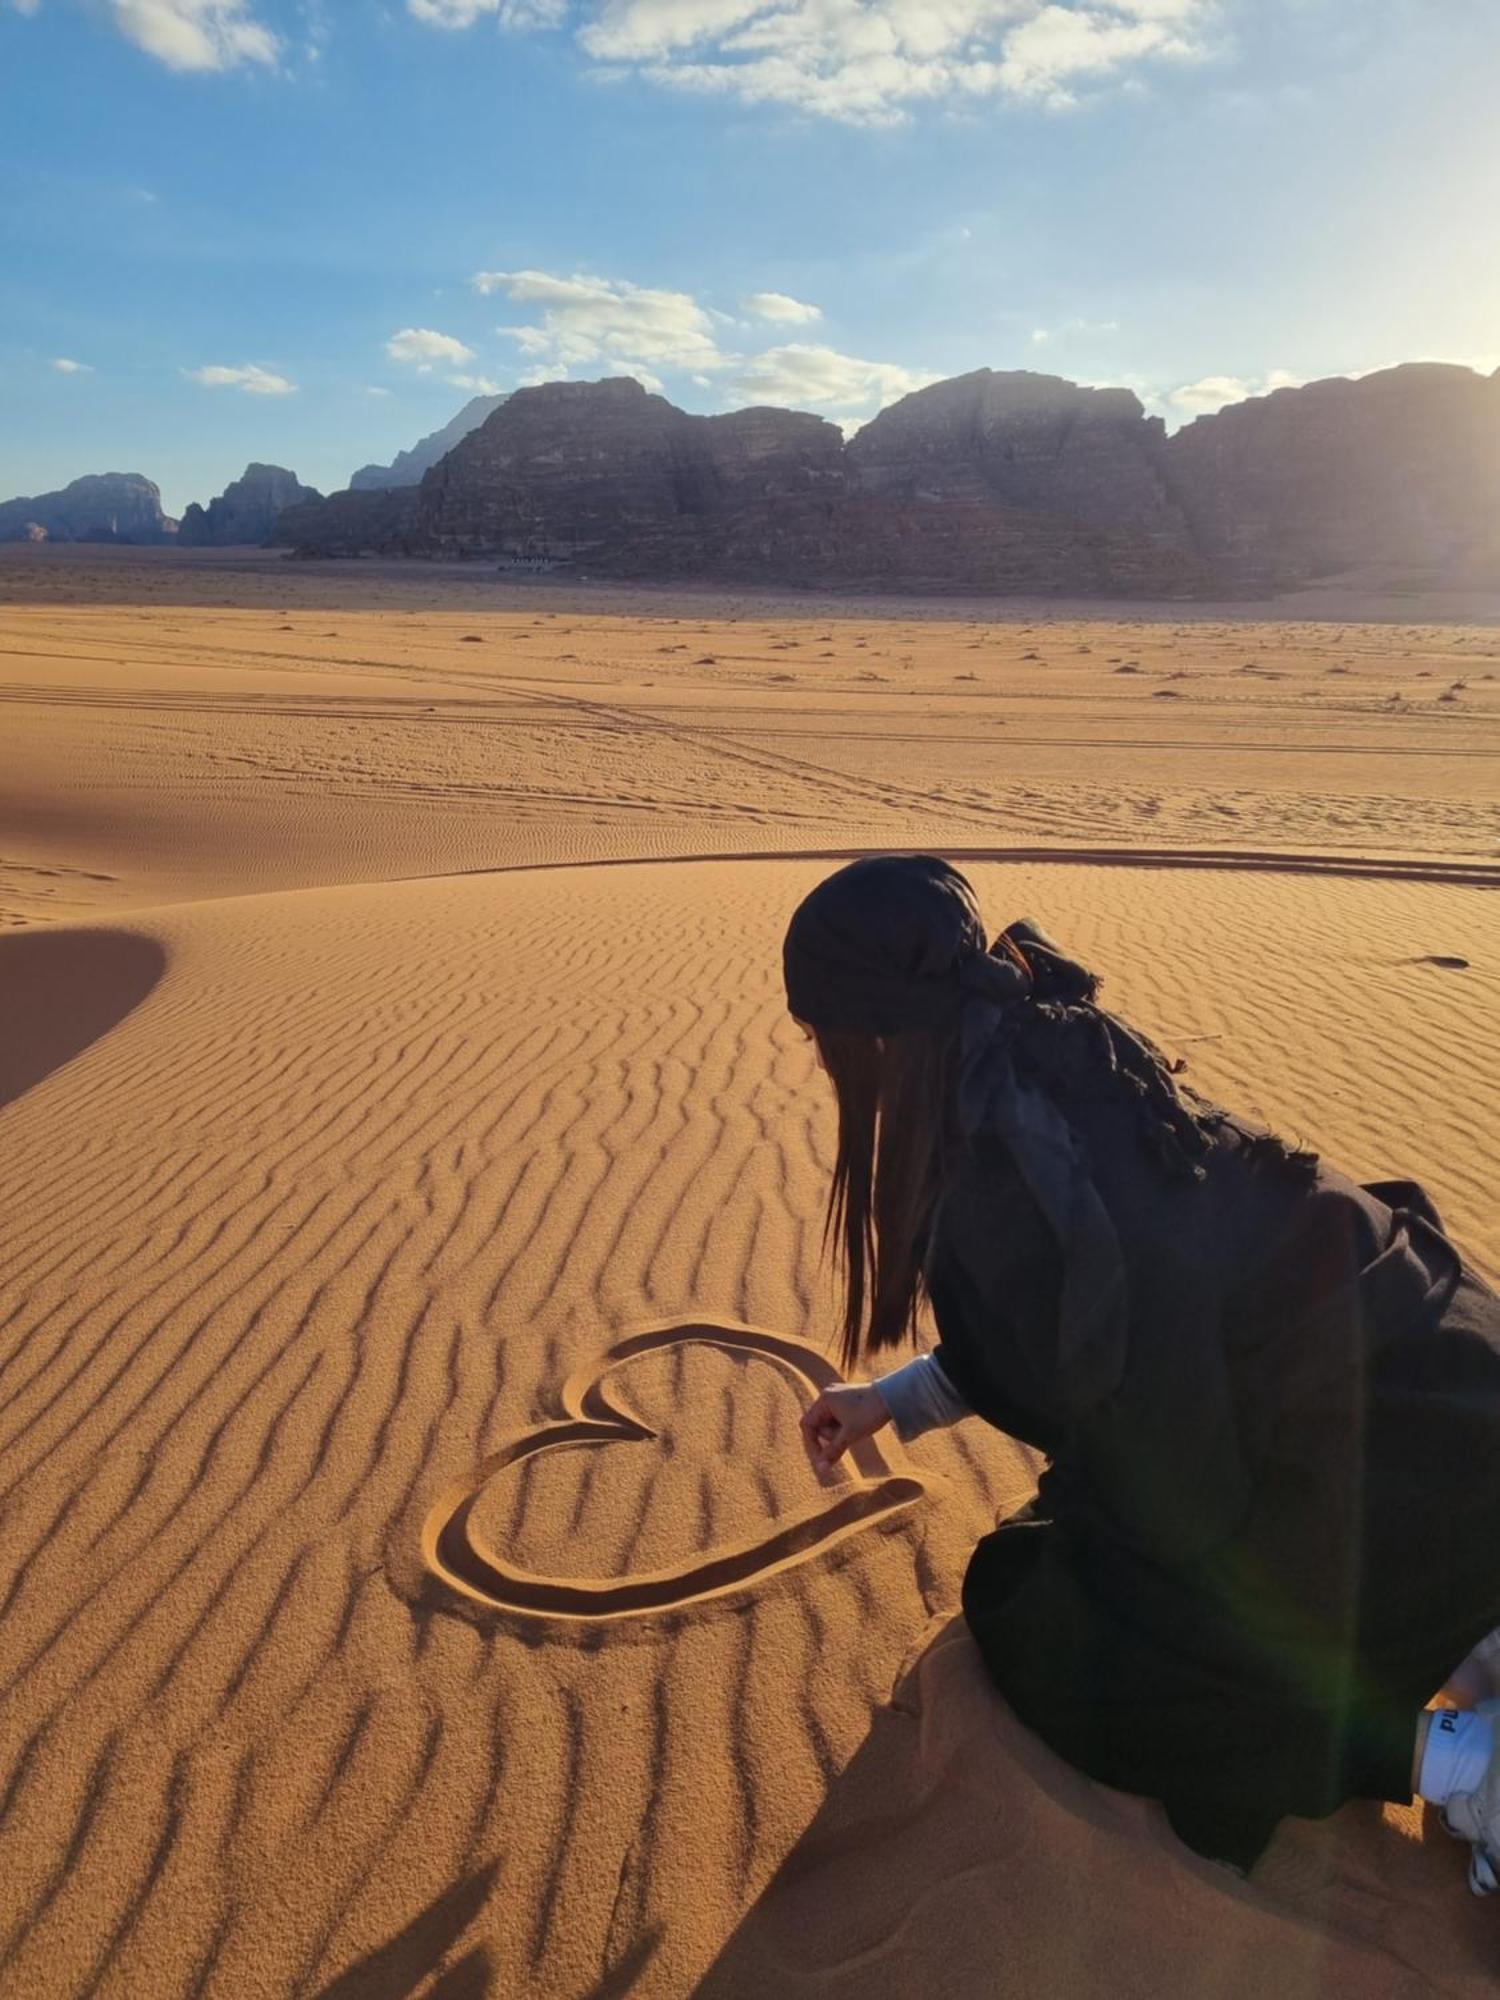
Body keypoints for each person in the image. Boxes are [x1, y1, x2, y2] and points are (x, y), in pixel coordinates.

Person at [786, 853, 1500, 1887]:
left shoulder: (997, 1173)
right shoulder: (1050, 1048)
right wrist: (894, 1399)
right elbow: (1101, 1313)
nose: (817, 1054)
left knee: (1043, 1612)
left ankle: (1460, 1765)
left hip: (1377, 1455)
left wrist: (1124, 1559)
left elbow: (1189, 1491)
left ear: (879, 1033)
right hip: (1451, 1376)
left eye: (822, 1033)